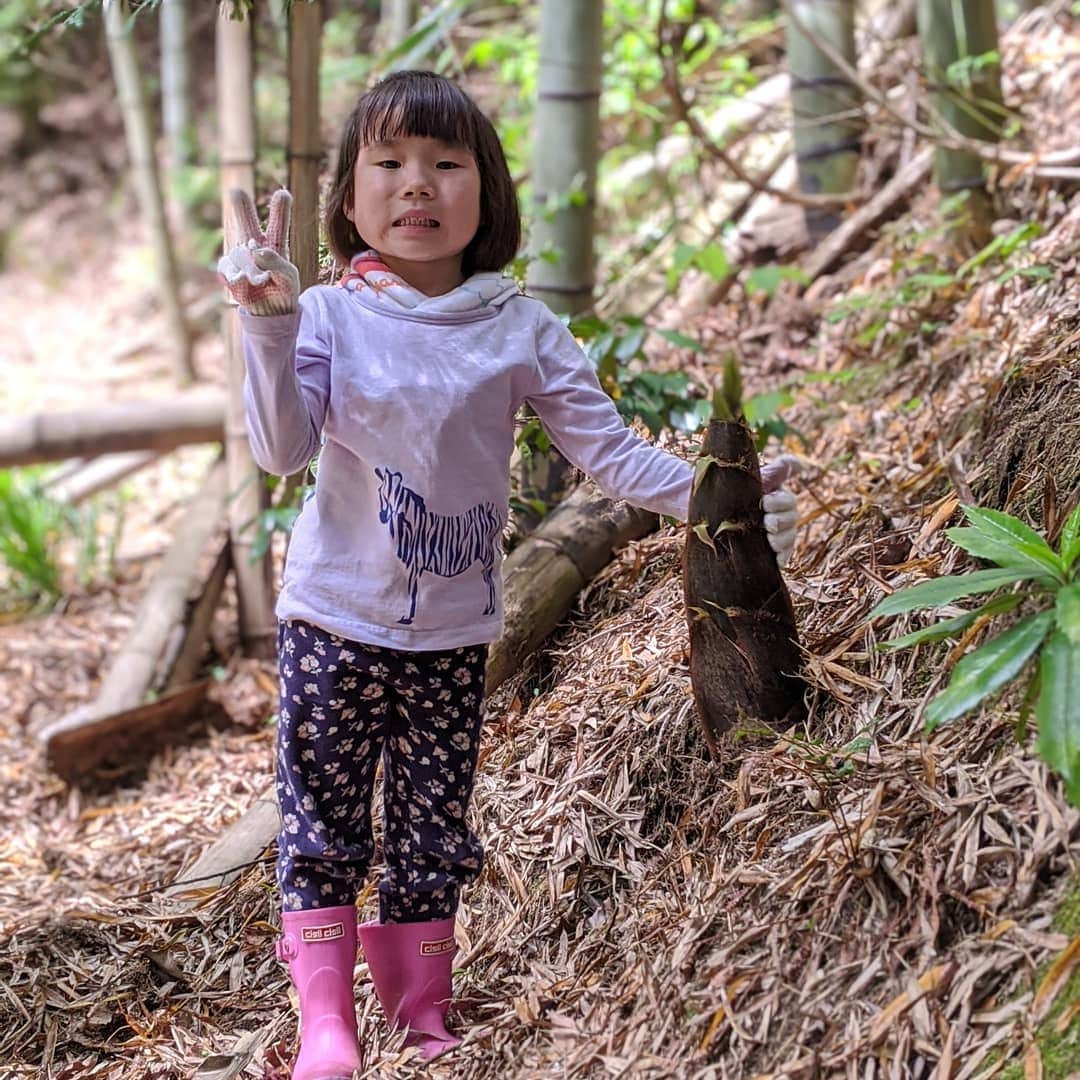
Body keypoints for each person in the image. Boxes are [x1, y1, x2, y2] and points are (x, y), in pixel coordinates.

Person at [218, 69, 799, 1080]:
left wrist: (725, 489)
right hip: (332, 618)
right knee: (323, 821)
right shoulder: (327, 314)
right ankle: (327, 1026)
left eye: (447, 164)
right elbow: (278, 450)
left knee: (434, 825)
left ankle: (420, 1007)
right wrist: (267, 322)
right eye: (389, 164)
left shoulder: (517, 324)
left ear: (486, 194)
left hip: (451, 630)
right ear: (348, 200)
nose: (417, 186)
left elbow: (610, 456)